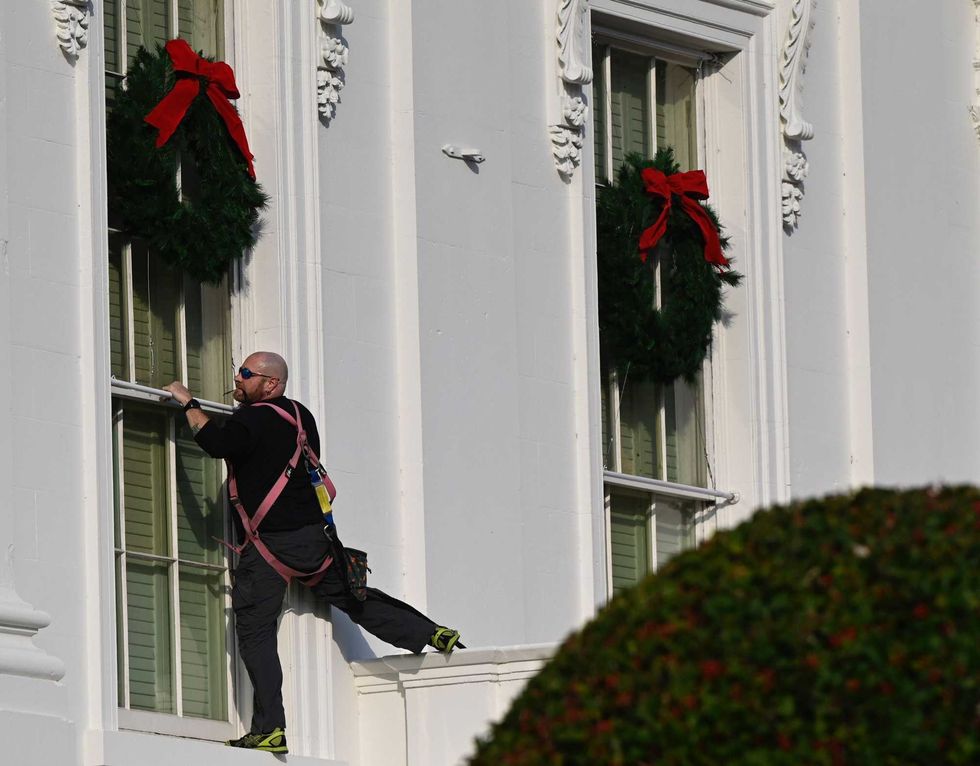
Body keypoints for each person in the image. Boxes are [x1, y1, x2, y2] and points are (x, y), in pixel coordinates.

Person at [164, 352, 462, 754]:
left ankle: (270, 728)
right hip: (312, 539)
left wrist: (188, 401)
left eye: (247, 373)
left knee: (254, 630)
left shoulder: (254, 418)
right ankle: (432, 632)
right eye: (239, 369)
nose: (237, 377)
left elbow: (215, 443)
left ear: (271, 384)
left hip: (269, 544)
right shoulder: (300, 417)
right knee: (355, 599)